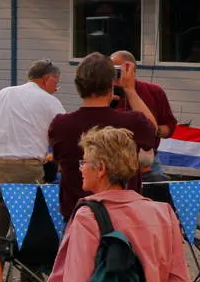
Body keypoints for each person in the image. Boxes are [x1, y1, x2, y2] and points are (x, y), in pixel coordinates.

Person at [30, 126, 192, 282]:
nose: (80, 168)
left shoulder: (89, 216)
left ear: (100, 169)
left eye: (84, 162)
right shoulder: (164, 212)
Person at [49, 53, 158, 220]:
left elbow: (58, 160)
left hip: (79, 215)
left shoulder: (61, 124)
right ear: (110, 85)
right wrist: (130, 89)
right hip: (124, 215)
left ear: (78, 85)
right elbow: (153, 129)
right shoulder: (132, 121)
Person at [0, 60, 65, 242]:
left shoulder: (3, 94)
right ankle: (26, 270)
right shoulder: (50, 101)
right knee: (28, 229)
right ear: (47, 79)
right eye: (56, 83)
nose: (56, 89)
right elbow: (65, 136)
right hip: (27, 171)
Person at [108, 50, 178, 180]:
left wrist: (151, 132)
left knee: (155, 195)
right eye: (109, 70)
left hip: (146, 160)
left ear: (131, 69)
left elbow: (170, 127)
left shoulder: (153, 91)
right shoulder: (104, 92)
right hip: (114, 159)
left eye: (117, 70)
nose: (114, 75)